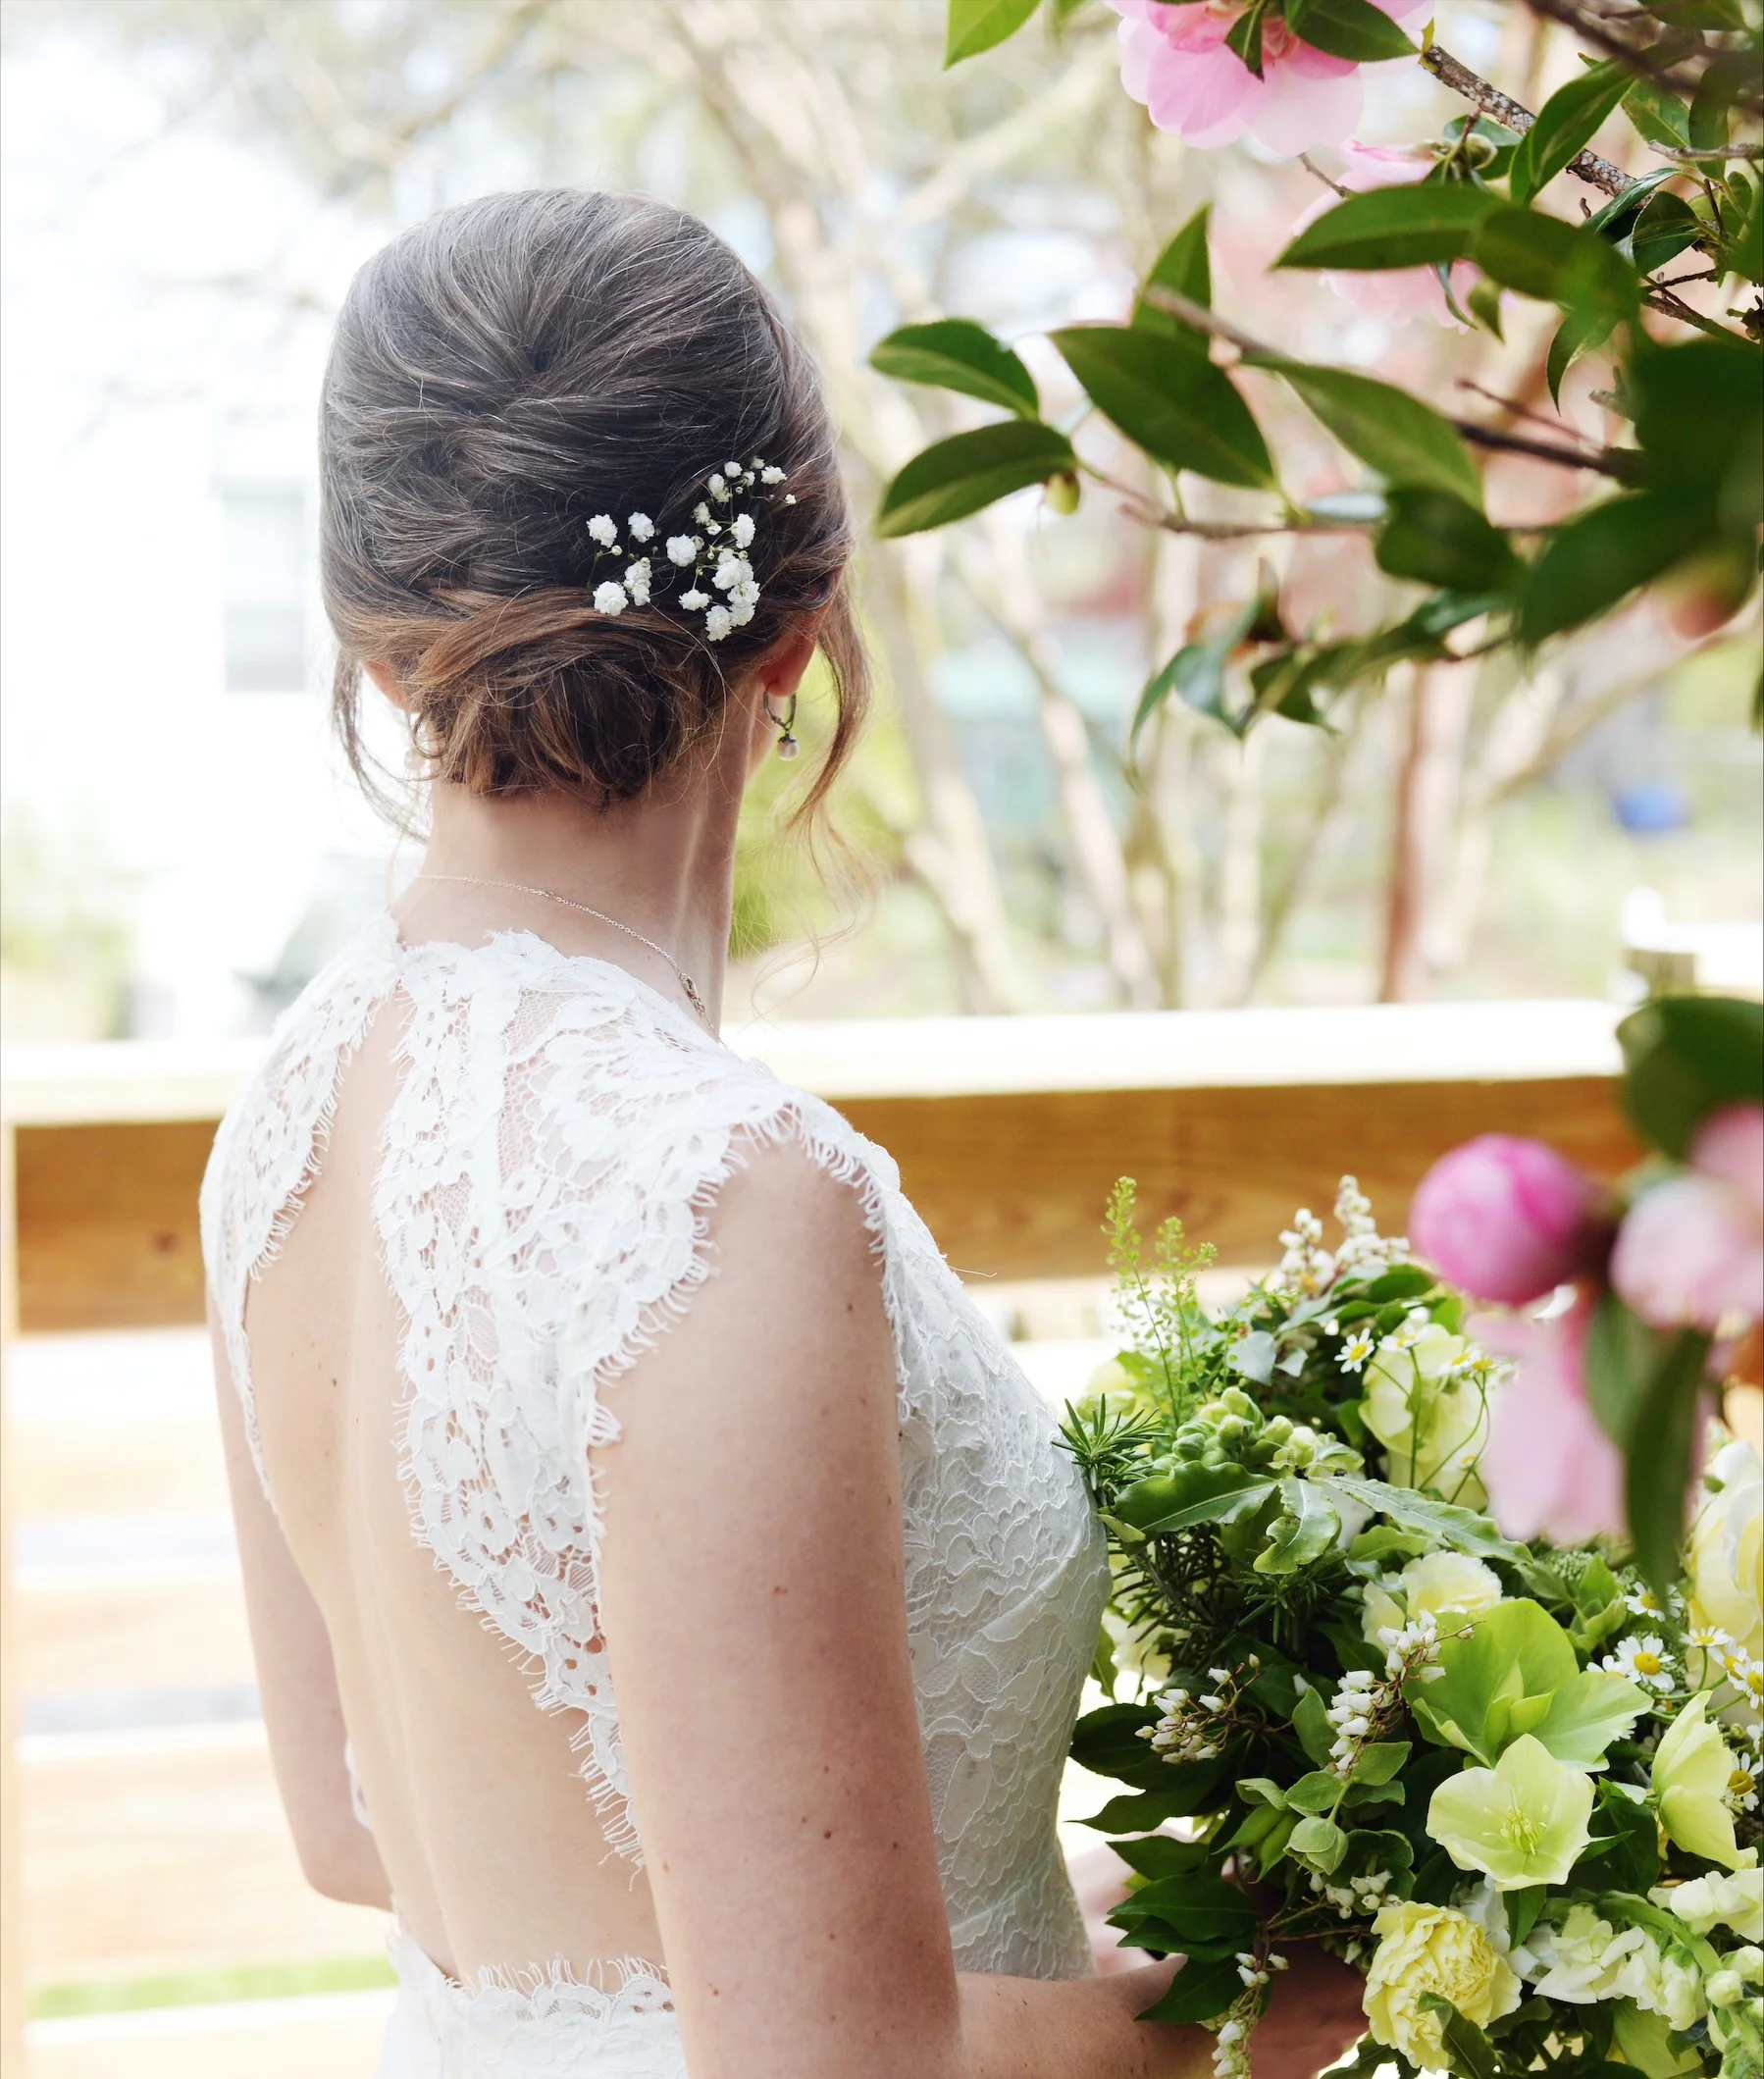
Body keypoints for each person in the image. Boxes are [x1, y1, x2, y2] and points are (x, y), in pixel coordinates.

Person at [201, 186, 1366, 2079]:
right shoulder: (722, 1194)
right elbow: (840, 2062)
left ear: (385, 643)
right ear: (799, 637)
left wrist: (1195, 1895)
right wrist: (1298, 1991)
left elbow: (363, 1823)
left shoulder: (286, 1109)